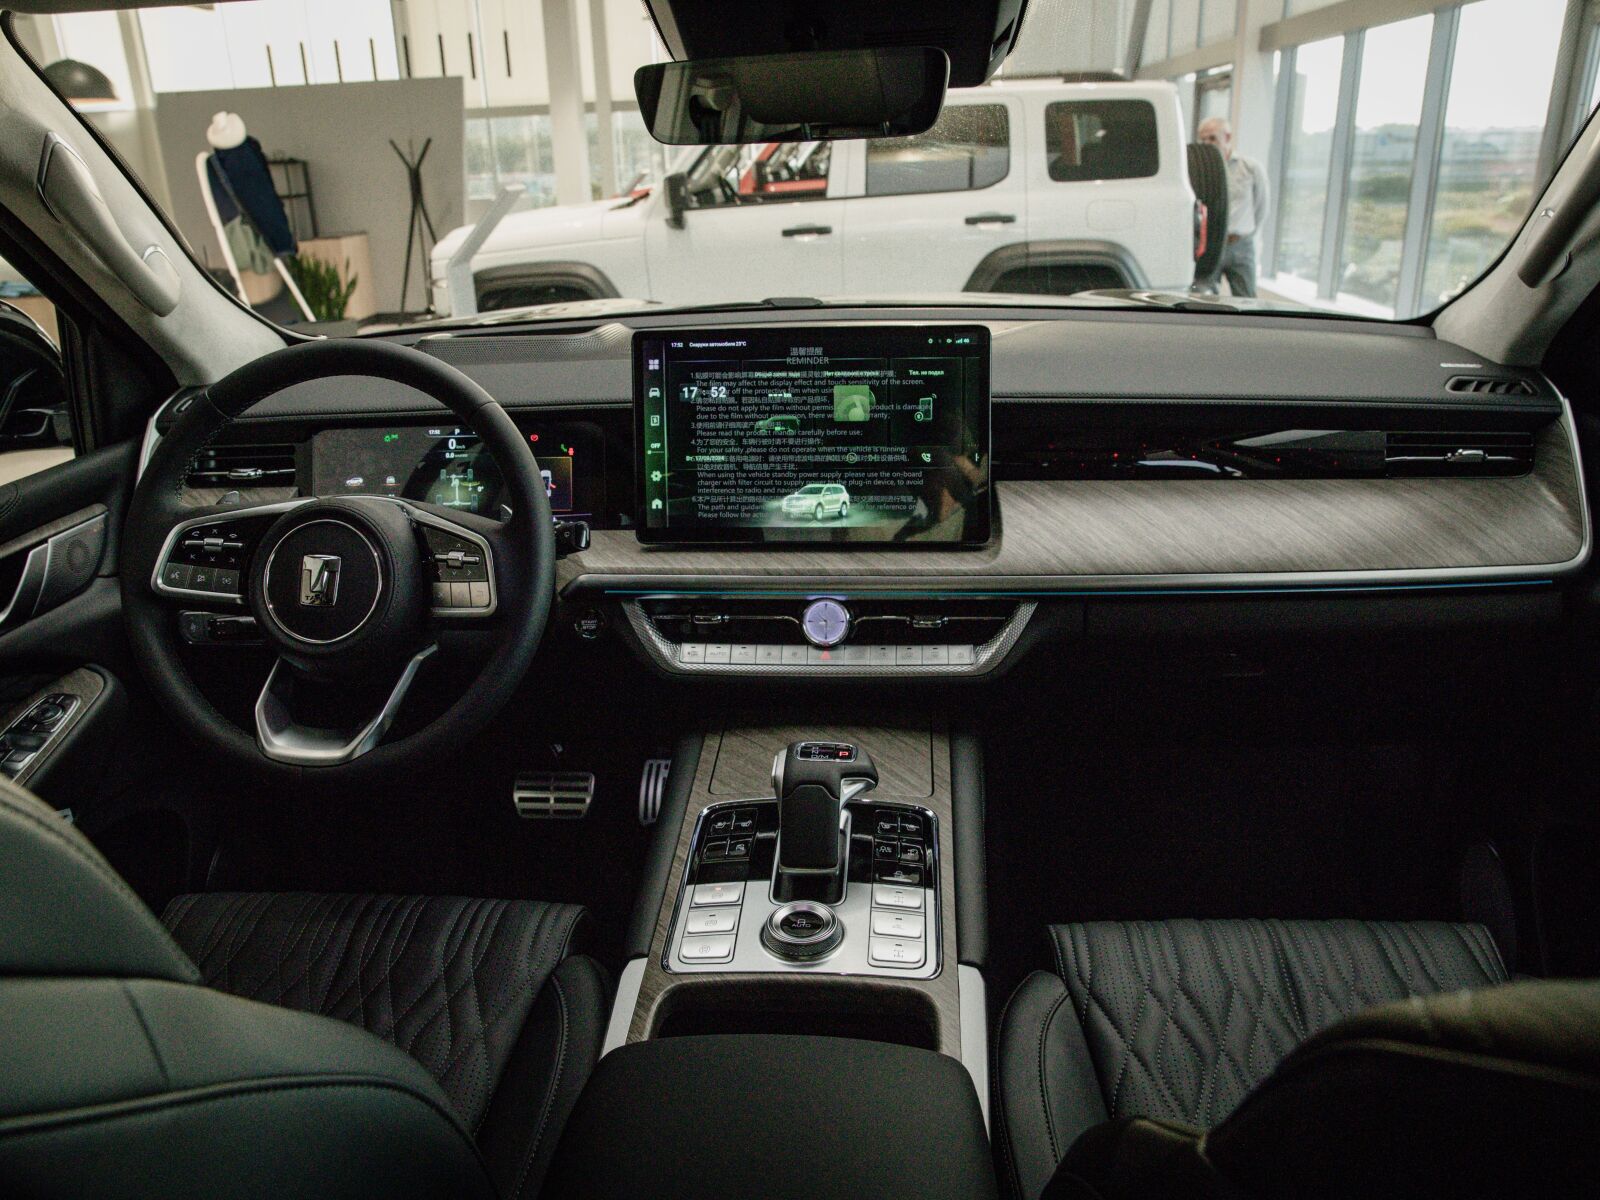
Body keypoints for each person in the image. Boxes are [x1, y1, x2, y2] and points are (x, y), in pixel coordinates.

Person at [1196, 117, 1270, 298]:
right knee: (1202, 297)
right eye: (1203, 140)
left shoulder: (1250, 168)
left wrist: (1247, 233)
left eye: (1212, 138)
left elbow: (1261, 206)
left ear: (1227, 138)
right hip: (1210, 245)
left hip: (1240, 245)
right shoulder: (1199, 170)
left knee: (1246, 299)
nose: (1207, 144)